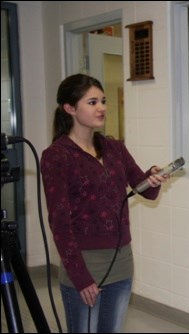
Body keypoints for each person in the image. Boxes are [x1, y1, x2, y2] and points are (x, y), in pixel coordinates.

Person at [41, 73, 170, 333]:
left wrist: (153, 179)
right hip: (84, 263)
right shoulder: (57, 156)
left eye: (103, 101)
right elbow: (59, 222)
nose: (101, 108)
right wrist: (80, 277)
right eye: (92, 102)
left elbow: (144, 190)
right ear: (70, 108)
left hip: (121, 261)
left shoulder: (114, 148)